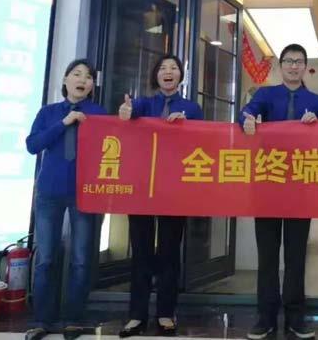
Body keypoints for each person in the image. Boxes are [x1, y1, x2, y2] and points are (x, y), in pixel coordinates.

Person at [238, 44, 318, 340]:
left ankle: (295, 317)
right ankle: (265, 317)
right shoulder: (266, 95)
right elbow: (246, 112)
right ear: (280, 66)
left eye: (298, 61)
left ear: (305, 66)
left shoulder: (315, 101)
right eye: (288, 61)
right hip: (268, 183)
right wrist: (247, 119)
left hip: (301, 186)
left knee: (296, 256)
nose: (293, 66)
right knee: (267, 256)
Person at [117, 54, 202, 337]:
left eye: (174, 68)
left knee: (169, 252)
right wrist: (126, 112)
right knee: (141, 252)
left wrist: (187, 125)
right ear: (156, 75)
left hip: (175, 188)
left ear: (180, 76)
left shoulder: (192, 108)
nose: (168, 72)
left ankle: (166, 313)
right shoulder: (144, 104)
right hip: (142, 185)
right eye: (163, 68)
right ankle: (136, 315)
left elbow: (203, 142)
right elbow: (127, 118)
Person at [25, 59, 107, 340]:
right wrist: (64, 123)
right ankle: (41, 320)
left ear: (92, 85)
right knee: (46, 258)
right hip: (49, 192)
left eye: (88, 76)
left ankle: (73, 318)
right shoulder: (48, 113)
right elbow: (33, 145)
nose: (82, 79)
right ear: (65, 80)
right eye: (76, 74)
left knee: (81, 259)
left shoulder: (98, 114)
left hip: (85, 193)